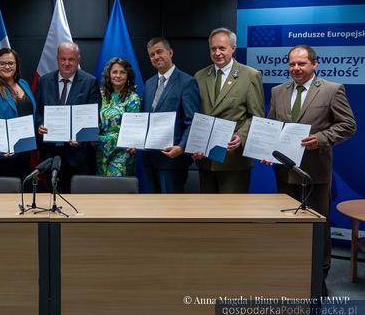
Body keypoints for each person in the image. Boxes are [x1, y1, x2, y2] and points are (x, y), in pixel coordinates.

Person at [268, 45, 356, 290]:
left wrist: (321, 139)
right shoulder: (278, 91)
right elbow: (273, 127)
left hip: (314, 173)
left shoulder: (331, 90)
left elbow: (348, 125)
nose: (295, 69)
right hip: (284, 172)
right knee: (286, 227)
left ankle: (319, 279)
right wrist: (266, 150)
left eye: (301, 64)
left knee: (318, 228)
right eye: (292, 64)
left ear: (314, 64)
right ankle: (290, 274)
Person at [193, 28, 264, 193]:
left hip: (233, 159)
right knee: (208, 213)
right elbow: (196, 115)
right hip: (205, 158)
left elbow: (256, 116)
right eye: (213, 48)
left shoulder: (250, 75)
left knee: (233, 215)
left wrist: (241, 136)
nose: (217, 53)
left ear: (233, 48)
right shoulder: (199, 76)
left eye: (222, 48)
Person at [35, 42, 102, 192]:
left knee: (79, 201)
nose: (66, 63)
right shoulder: (44, 81)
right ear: (57, 59)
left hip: (78, 156)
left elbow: (94, 114)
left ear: (79, 59)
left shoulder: (90, 82)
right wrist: (39, 125)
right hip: (50, 153)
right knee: (53, 197)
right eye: (62, 59)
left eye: (71, 59)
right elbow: (37, 111)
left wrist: (82, 137)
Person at [142, 37, 200, 193]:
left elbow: (192, 121)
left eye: (159, 52)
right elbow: (145, 119)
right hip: (149, 159)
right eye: (152, 54)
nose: (156, 57)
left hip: (173, 159)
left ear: (170, 52)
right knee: (152, 209)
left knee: (170, 211)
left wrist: (181, 147)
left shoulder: (187, 82)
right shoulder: (149, 83)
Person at [0, 48, 36, 181]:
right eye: (2, 63)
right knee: (1, 198)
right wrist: (1, 147)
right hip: (0, 155)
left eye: (11, 63)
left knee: (22, 195)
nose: (7, 66)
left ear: (16, 65)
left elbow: (30, 113)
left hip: (23, 151)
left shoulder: (23, 84)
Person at [97, 57, 141, 176]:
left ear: (128, 75)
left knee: (117, 191)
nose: (118, 75)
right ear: (109, 74)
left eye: (122, 72)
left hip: (121, 152)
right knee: (100, 190)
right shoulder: (101, 95)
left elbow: (132, 130)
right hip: (100, 152)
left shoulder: (133, 99)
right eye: (114, 72)